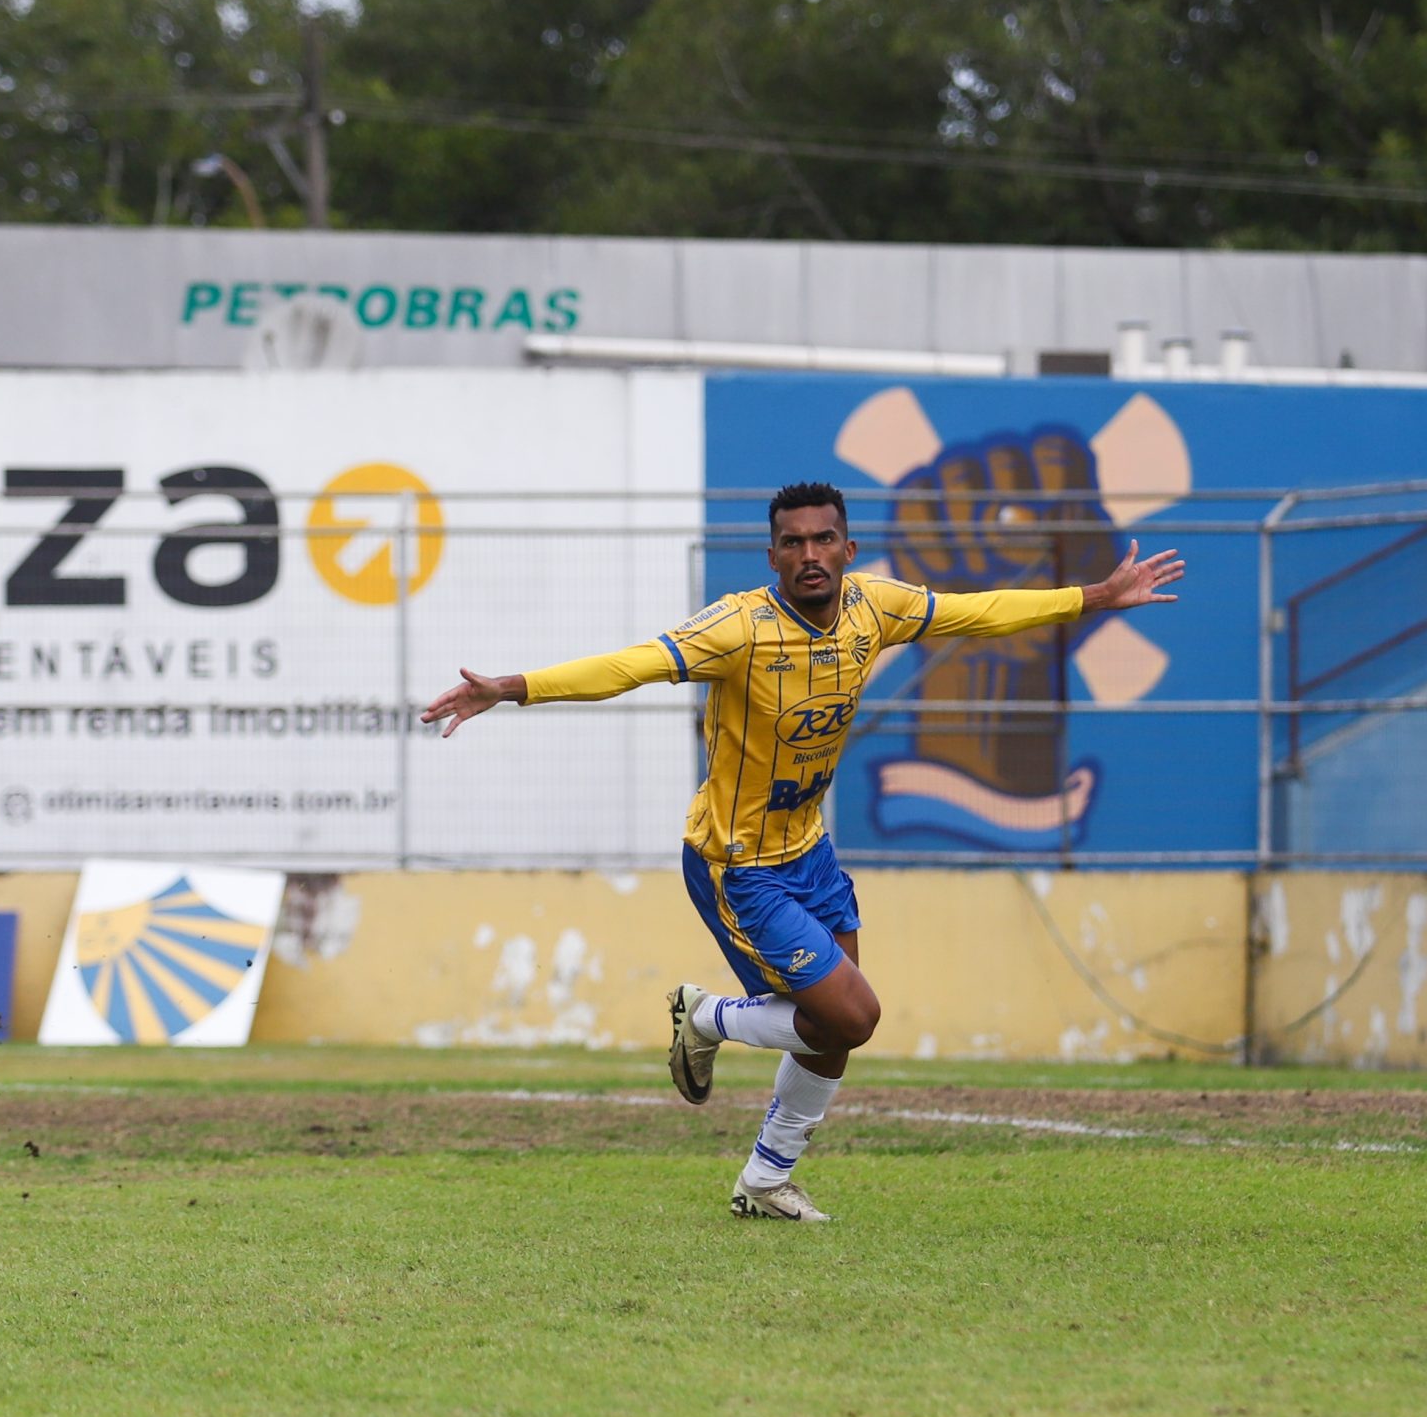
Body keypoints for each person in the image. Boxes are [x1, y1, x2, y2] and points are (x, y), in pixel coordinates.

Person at [419, 481, 1184, 1223]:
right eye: (793, 543)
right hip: (738, 862)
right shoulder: (738, 628)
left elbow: (978, 613)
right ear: (773, 557)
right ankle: (708, 1017)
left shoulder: (874, 607)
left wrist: (1092, 597)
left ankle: (764, 1179)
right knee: (853, 1016)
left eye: (824, 539)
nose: (810, 554)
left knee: (830, 1032)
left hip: (810, 850)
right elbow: (629, 666)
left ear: (848, 548)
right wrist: (512, 687)